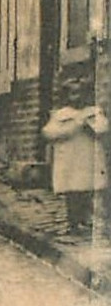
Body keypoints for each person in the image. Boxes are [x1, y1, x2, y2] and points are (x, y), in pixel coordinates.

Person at [42, 86, 108, 237]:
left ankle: (88, 220)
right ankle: (74, 222)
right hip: (70, 162)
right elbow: (49, 132)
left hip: (88, 159)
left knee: (88, 191)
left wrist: (89, 125)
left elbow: (103, 128)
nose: (76, 98)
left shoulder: (94, 112)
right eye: (73, 93)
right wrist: (75, 125)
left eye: (79, 93)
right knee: (73, 194)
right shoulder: (61, 115)